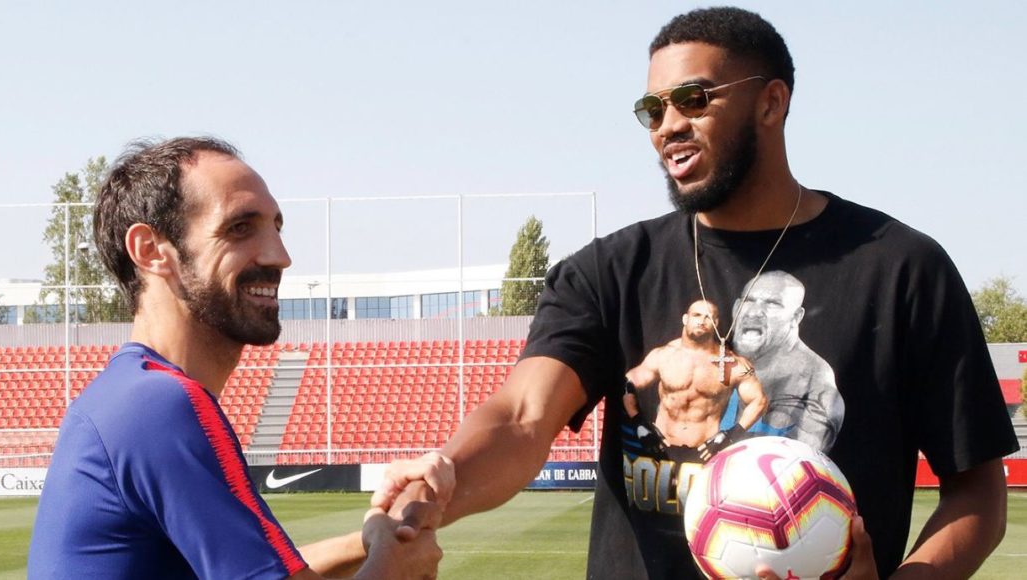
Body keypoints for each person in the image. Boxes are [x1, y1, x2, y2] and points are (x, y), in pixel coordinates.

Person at [376, 6, 1019, 580]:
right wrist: (444, 476)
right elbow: (522, 416)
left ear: (771, 103)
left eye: (693, 98)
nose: (668, 126)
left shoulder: (903, 268)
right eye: (652, 110)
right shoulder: (608, 271)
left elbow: (979, 493)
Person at [27, 137, 446, 579]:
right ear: (150, 250)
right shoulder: (157, 406)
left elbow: (263, 569)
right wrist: (397, 563)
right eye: (240, 228)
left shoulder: (131, 393)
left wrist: (374, 538)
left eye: (277, 228)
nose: (280, 256)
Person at [624, 300, 766, 463]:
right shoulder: (663, 355)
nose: (701, 321)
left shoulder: (733, 364)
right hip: (660, 448)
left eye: (708, 317)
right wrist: (639, 425)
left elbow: (759, 401)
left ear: (715, 323)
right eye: (697, 315)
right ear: (685, 319)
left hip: (704, 453)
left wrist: (730, 436)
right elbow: (627, 383)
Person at [725, 270, 844, 451]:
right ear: (736, 308)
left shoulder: (813, 387)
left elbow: (790, 463)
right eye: (749, 300)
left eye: (772, 303)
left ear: (796, 317)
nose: (754, 312)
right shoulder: (711, 356)